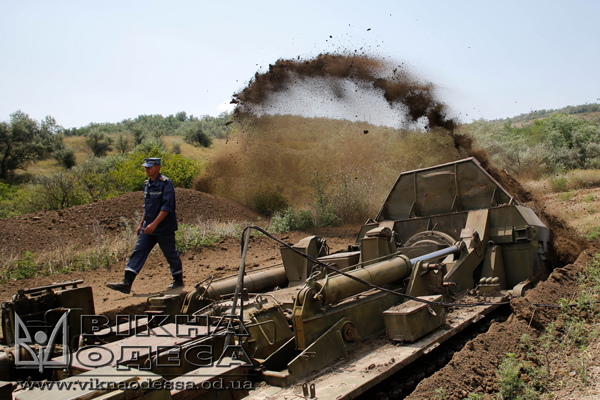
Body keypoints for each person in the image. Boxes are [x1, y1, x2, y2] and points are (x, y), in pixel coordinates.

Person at [106, 158, 184, 294]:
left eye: (150, 167)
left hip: (164, 228)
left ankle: (178, 280)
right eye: (146, 167)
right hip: (148, 228)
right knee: (138, 251)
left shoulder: (166, 184)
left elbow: (167, 207)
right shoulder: (147, 184)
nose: (146, 169)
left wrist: (154, 224)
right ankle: (126, 283)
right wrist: (142, 223)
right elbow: (147, 207)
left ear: (158, 167)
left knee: (170, 254)